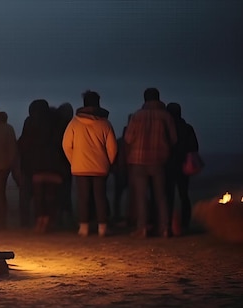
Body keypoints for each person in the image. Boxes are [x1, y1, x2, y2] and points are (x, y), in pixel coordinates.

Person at [62, 91, 117, 237]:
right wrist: (107, 163)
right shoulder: (105, 124)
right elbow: (112, 148)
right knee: (100, 197)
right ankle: (102, 228)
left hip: (80, 167)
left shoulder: (74, 123)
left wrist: (74, 161)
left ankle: (84, 228)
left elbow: (66, 145)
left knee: (83, 197)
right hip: (100, 167)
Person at [125, 88, 177, 238]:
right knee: (161, 195)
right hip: (159, 160)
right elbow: (173, 139)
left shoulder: (137, 116)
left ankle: (142, 228)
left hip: (138, 160)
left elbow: (128, 138)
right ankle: (165, 228)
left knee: (141, 196)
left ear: (145, 99)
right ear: (159, 98)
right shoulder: (166, 116)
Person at [19, 99, 65, 234]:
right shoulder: (55, 122)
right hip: (52, 166)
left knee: (40, 195)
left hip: (38, 165)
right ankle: (47, 220)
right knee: (49, 195)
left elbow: (25, 143)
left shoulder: (31, 122)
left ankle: (41, 221)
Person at [165, 102, 199, 235]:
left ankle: (169, 224)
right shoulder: (187, 128)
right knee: (184, 195)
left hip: (169, 165)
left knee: (169, 196)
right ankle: (185, 223)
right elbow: (194, 147)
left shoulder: (167, 128)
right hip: (184, 165)